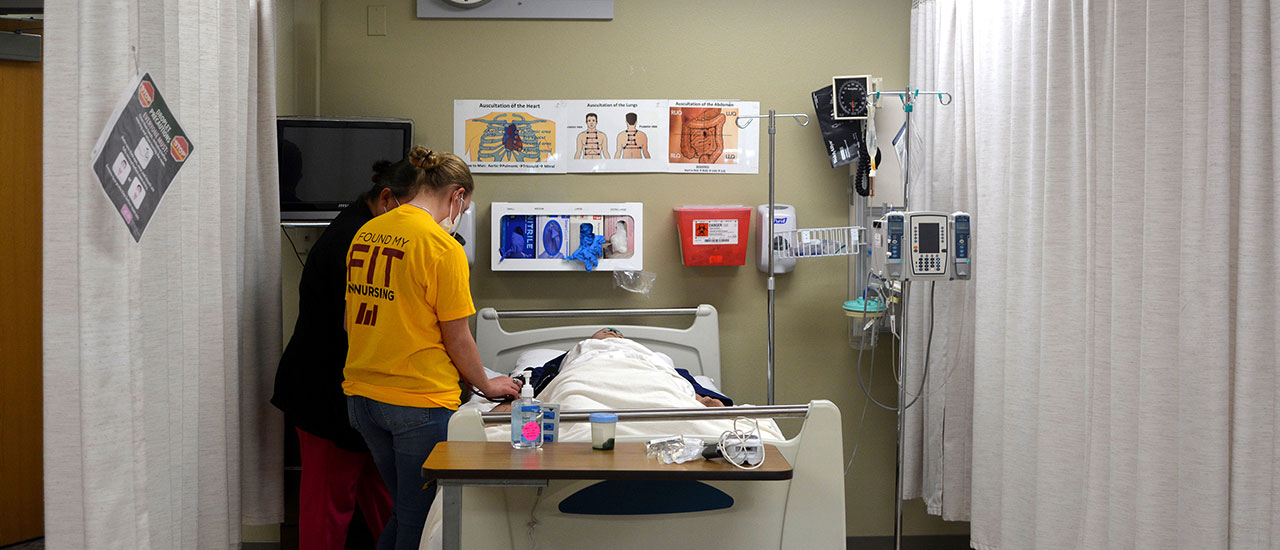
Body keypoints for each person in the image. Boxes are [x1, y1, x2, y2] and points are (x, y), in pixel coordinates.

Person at [342, 146, 522, 550]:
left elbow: (350, 315)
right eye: (464, 206)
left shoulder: (367, 232)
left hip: (363, 396)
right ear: (457, 196)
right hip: (416, 402)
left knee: (404, 510)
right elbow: (457, 335)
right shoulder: (442, 249)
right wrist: (486, 384)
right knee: (418, 518)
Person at [270, 158, 418, 550]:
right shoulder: (352, 240)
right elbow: (360, 326)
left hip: (358, 396)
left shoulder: (370, 232)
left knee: (387, 501)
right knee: (328, 510)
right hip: (323, 394)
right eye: (415, 212)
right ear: (387, 199)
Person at [497, 328, 732, 411]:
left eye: (616, 332)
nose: (613, 333)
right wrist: (514, 393)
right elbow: (538, 377)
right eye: (606, 330)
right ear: (591, 338)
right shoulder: (577, 352)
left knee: (672, 394)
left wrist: (705, 398)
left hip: (648, 378)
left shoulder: (649, 355)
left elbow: (676, 377)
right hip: (585, 377)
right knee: (574, 402)